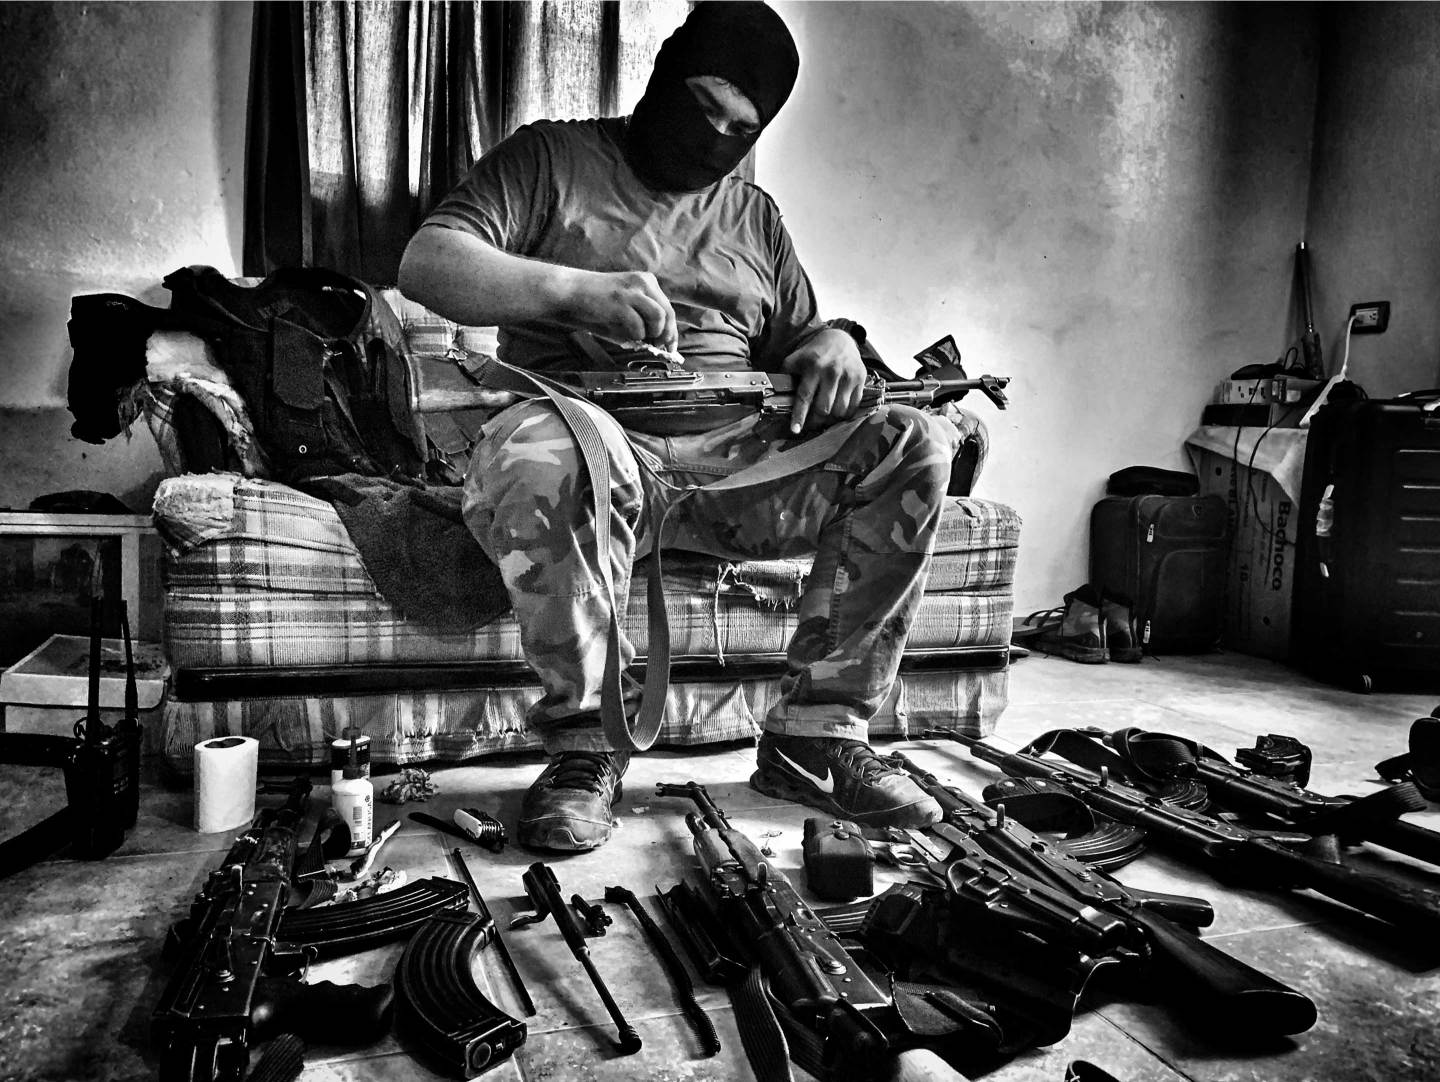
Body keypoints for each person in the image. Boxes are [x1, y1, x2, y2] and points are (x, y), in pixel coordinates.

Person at [399, 0, 956, 852]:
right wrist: (573, 291)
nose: (714, 138)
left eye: (741, 126)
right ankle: (588, 746)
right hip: (594, 451)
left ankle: (816, 737)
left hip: (736, 473)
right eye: (701, 107)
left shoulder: (753, 215)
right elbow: (428, 263)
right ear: (660, 76)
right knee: (544, 452)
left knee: (913, 442)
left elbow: (800, 336)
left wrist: (836, 341)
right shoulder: (552, 156)